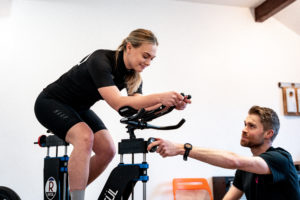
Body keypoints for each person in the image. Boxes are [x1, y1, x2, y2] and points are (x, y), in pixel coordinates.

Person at [34, 28, 191, 200]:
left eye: (152, 59)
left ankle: (70, 194)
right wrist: (161, 96)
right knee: (84, 137)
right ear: (129, 47)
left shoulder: (134, 76)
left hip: (78, 108)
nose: (148, 63)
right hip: (50, 102)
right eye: (145, 56)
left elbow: (137, 108)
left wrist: (169, 104)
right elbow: (118, 103)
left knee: (108, 150)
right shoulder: (101, 59)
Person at [147, 106, 300, 200]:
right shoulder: (246, 170)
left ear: (268, 134)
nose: (244, 129)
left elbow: (235, 161)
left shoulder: (281, 159)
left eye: (251, 126)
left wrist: (182, 148)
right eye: (245, 124)